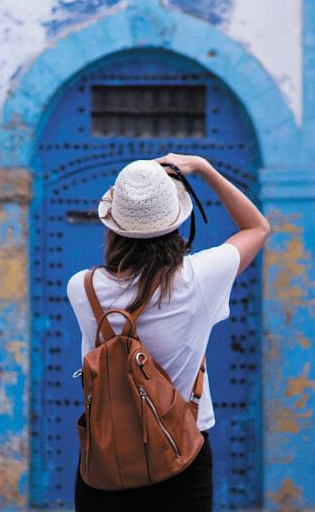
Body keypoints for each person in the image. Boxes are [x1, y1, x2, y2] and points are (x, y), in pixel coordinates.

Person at [66, 153, 270, 512]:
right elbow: (257, 228)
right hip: (181, 455)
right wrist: (204, 167)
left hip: (106, 457)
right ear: (174, 223)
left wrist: (129, 188)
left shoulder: (82, 288)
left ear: (113, 226)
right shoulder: (198, 279)